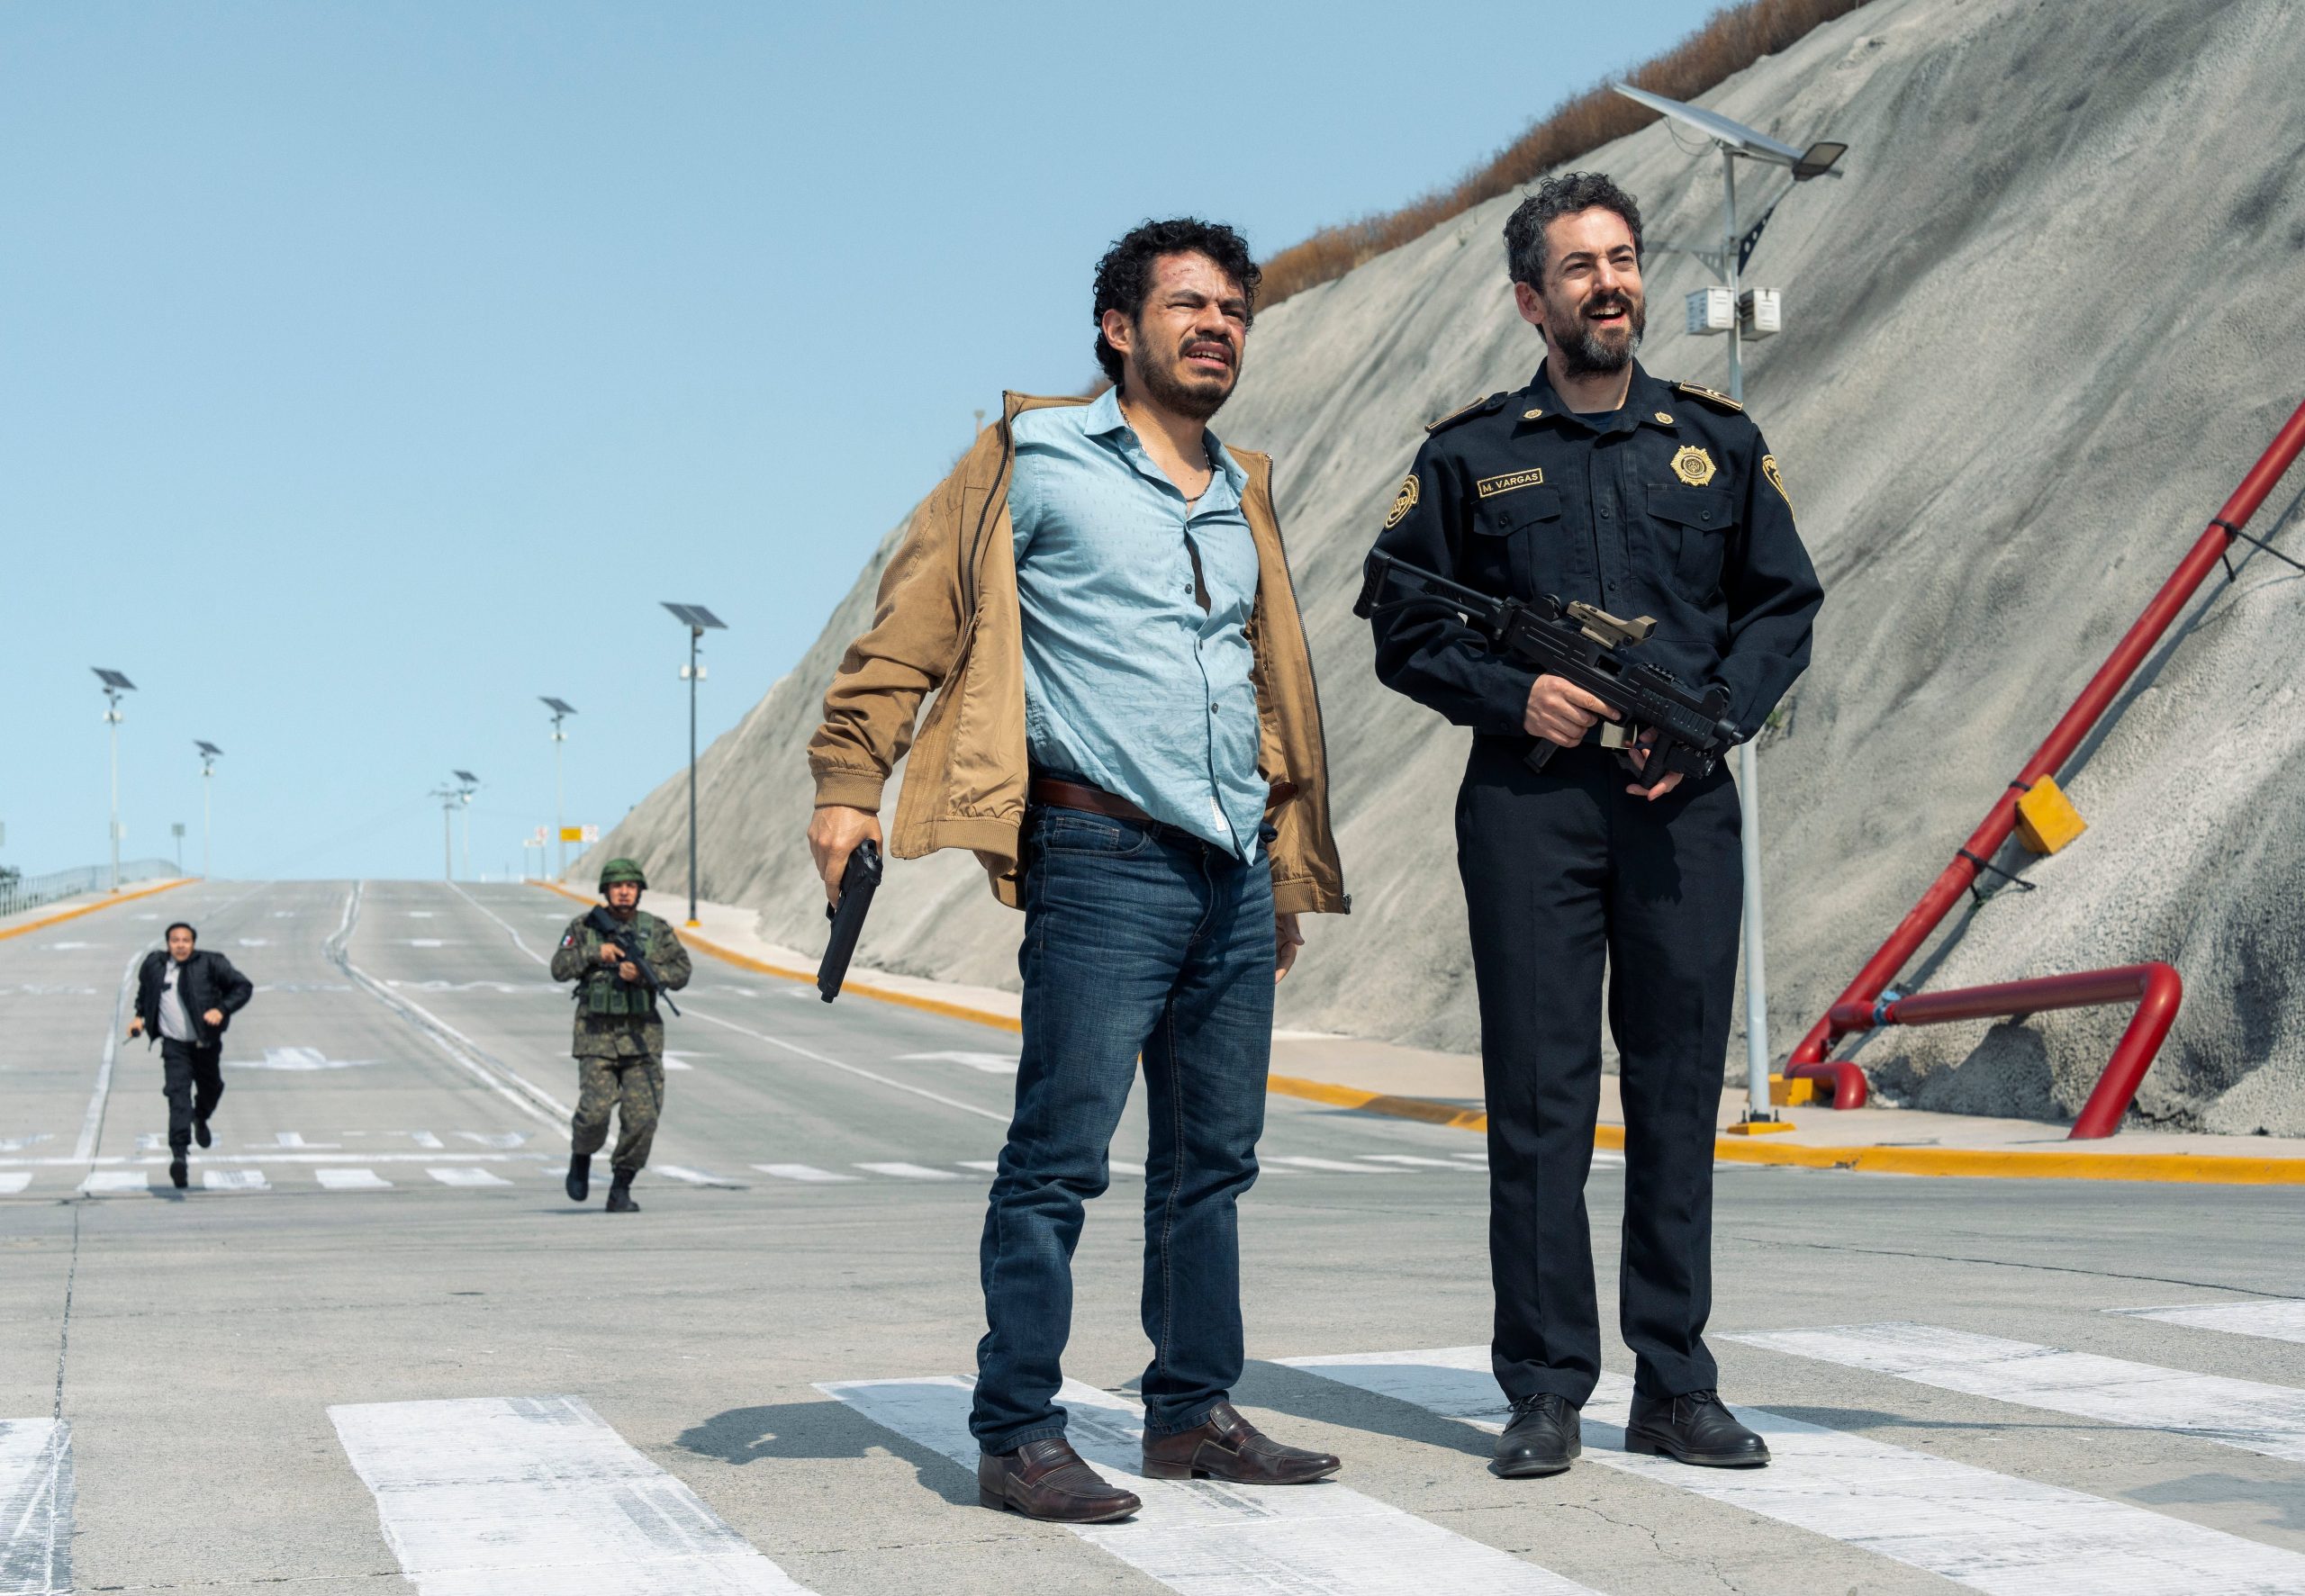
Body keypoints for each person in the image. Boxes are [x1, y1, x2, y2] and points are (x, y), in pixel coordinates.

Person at [805, 218, 1350, 1524]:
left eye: (1233, 310)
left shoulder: (1241, 489)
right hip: (1100, 853)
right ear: (1120, 327)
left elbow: (1258, 696)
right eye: (1188, 305)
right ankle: (1016, 1432)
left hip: (1229, 870)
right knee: (1060, 1158)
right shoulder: (1028, 458)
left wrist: (1279, 863)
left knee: (1212, 1161)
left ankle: (1190, 1412)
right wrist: (844, 782)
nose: (1216, 326)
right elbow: (912, 628)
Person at [1367, 171, 1823, 1476]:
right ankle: (1547, 1386)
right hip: (1530, 809)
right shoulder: (1467, 454)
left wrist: (1717, 716)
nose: (1610, 283)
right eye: (1581, 267)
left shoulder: (1718, 442)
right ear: (1533, 299)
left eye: (1622, 259)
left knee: (1678, 1096)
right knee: (1542, 1102)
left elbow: (1783, 605)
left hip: (1680, 806)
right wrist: (1521, 695)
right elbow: (1400, 622)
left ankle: (1675, 1385)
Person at [549, 858, 691, 1213]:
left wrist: (644, 973)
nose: (624, 892)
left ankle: (621, 1187)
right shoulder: (584, 927)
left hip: (642, 1038)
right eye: (617, 886)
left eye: (630, 886)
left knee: (642, 1119)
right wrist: (596, 953)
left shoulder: (655, 929)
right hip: (596, 1037)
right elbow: (559, 967)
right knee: (593, 1114)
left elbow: (681, 969)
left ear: (640, 891)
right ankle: (581, 1156)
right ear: (606, 891)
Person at [127, 921, 255, 1190]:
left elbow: (243, 986)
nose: (180, 945)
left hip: (205, 1043)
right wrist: (139, 1018)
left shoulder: (211, 964)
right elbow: (145, 993)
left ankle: (201, 1117)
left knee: (212, 1088)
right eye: (175, 940)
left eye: (186, 940)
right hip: (174, 1046)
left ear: (193, 943)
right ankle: (179, 1157)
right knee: (177, 1097)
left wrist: (222, 1009)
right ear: (168, 943)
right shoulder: (154, 965)